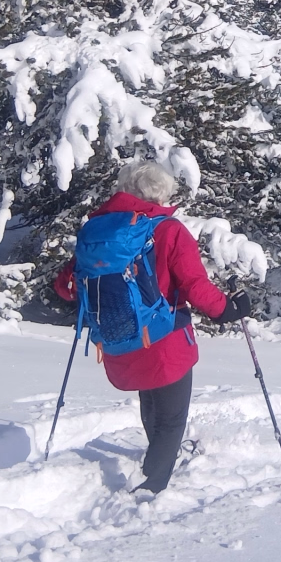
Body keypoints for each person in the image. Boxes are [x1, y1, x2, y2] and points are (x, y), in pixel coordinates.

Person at [53, 160, 248, 493]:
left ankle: (157, 460)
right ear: (162, 194)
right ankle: (152, 485)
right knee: (171, 418)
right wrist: (229, 310)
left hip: (119, 336)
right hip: (165, 338)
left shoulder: (97, 232)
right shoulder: (168, 230)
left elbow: (64, 286)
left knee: (153, 403)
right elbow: (194, 287)